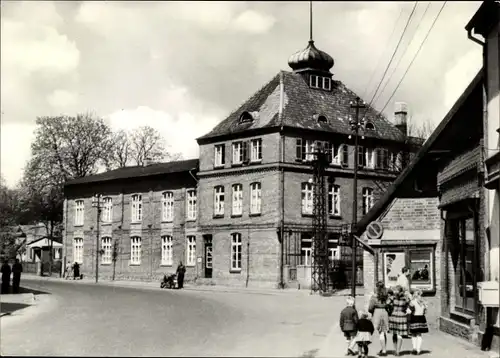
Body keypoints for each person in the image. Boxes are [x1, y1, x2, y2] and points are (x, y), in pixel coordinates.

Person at [368, 281, 391, 357]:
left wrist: (372, 312)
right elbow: (389, 304)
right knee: (384, 331)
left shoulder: (374, 296)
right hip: (385, 312)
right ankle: (384, 348)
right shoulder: (386, 296)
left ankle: (384, 350)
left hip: (377, 312)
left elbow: (370, 308)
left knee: (380, 332)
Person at [387, 285, 411, 356]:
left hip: (394, 316)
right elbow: (408, 305)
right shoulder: (405, 298)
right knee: (400, 334)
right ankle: (398, 351)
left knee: (394, 334)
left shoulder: (392, 298)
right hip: (402, 316)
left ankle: (395, 349)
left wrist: (390, 309)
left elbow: (387, 303)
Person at [409, 289, 429, 355]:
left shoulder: (413, 302)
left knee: (414, 334)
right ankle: (418, 350)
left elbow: (410, 310)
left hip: (414, 318)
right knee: (419, 334)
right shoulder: (423, 302)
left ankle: (414, 348)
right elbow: (425, 311)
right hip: (421, 318)